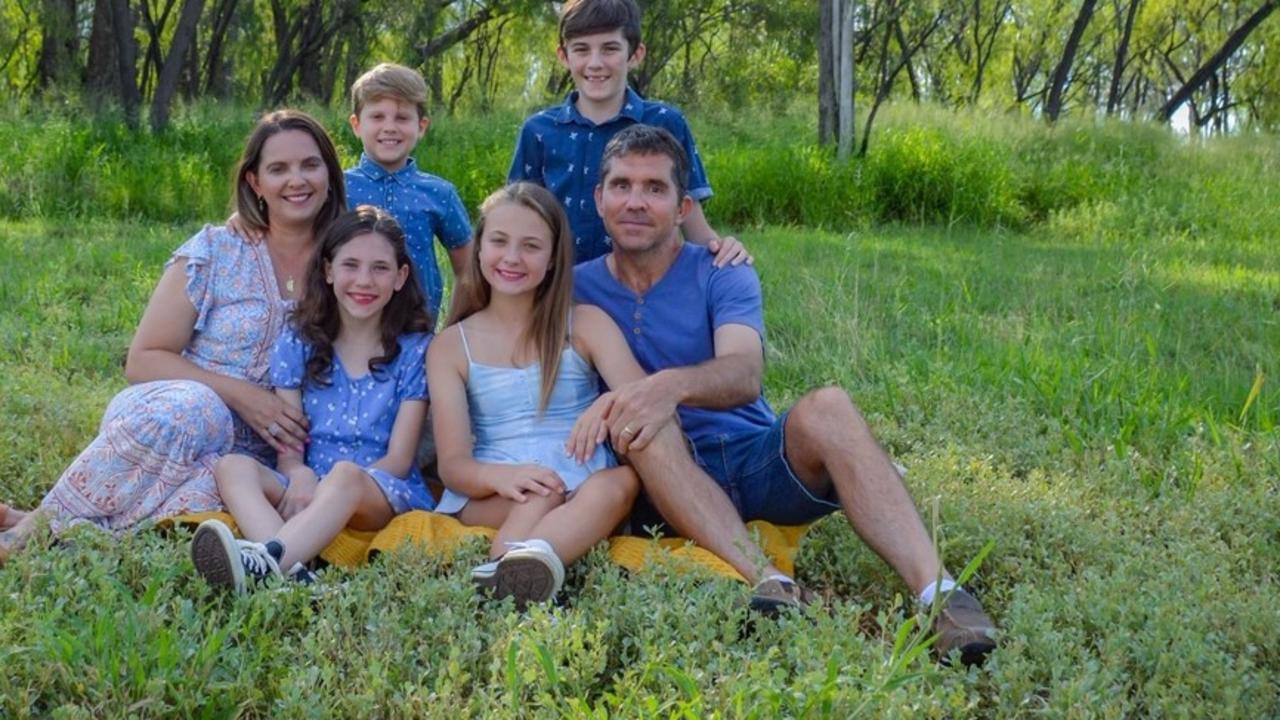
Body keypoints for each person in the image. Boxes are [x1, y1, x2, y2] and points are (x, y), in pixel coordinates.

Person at [573, 125, 999, 666]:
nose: (635, 201)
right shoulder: (572, 285)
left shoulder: (722, 272)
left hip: (753, 461)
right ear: (599, 198)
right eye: (622, 186)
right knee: (638, 421)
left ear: (682, 207)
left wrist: (668, 385)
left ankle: (940, 597)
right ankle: (770, 581)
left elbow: (744, 372)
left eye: (654, 188)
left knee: (829, 406)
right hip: (656, 480)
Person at [0, 110, 347, 565]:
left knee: (202, 500)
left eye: (310, 165)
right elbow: (143, 359)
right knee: (199, 409)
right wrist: (241, 395)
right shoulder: (217, 249)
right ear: (254, 182)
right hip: (170, 415)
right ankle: (27, 537)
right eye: (278, 169)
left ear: (330, 173)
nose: (296, 180)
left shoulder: (349, 262)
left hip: (255, 456)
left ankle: (59, 532)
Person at [191, 206, 435, 592]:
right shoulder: (299, 341)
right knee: (234, 466)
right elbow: (290, 444)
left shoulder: (415, 351)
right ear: (328, 270)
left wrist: (328, 490)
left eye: (380, 268)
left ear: (401, 276)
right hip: (312, 480)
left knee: (346, 476)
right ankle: (292, 575)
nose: (364, 281)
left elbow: (400, 460)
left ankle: (267, 561)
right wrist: (298, 473)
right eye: (350, 265)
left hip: (379, 490)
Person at [427, 182, 642, 608]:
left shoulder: (583, 324)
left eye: (530, 246)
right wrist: (501, 478)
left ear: (552, 259)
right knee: (541, 491)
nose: (511, 258)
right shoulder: (452, 345)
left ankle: (524, 566)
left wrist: (605, 404)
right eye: (499, 242)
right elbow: (452, 466)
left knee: (624, 481)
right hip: (490, 492)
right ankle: (508, 569)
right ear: (479, 248)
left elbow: (641, 396)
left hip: (582, 484)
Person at [507, 0, 748, 267]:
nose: (595, 63)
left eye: (610, 49)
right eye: (581, 49)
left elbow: (692, 224)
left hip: (646, 289)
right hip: (562, 291)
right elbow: (518, 224)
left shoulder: (666, 123)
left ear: (635, 55)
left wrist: (724, 250)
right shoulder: (538, 131)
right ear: (564, 56)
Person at [233, 63, 471, 321]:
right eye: (377, 117)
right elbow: (289, 219)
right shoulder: (333, 185)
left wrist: (450, 330)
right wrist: (249, 215)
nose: (389, 127)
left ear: (422, 126)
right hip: (344, 324)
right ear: (356, 124)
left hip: (416, 328)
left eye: (402, 118)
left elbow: (467, 269)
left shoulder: (439, 193)